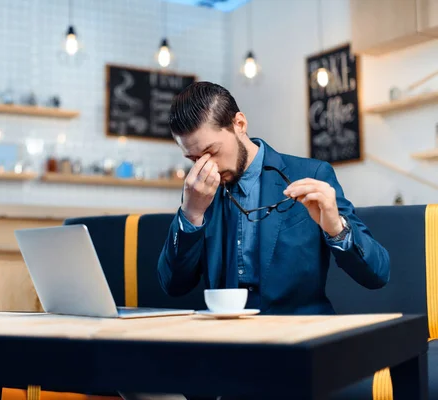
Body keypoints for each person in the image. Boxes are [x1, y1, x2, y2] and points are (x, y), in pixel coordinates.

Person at [119, 81, 390, 400]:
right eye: (192, 159)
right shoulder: (199, 191)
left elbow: (377, 273)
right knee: (126, 371)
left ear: (239, 124)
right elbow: (173, 283)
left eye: (210, 152)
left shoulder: (311, 173)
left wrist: (335, 227)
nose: (205, 168)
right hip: (222, 348)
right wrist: (191, 213)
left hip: (296, 346)